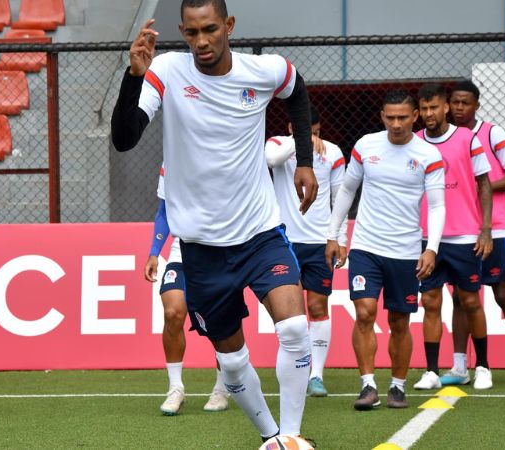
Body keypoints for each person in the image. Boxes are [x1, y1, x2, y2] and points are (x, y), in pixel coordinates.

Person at [111, 0, 318, 441]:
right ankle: (270, 435)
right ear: (182, 32)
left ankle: (293, 437)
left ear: (229, 25)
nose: (201, 41)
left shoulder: (262, 70)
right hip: (201, 249)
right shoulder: (166, 70)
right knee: (232, 360)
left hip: (261, 234)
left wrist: (305, 161)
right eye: (191, 32)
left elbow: (296, 89)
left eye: (209, 29)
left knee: (296, 328)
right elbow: (125, 139)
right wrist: (133, 78)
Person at [326, 90, 445, 410]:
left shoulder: (429, 155)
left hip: (406, 252)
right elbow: (348, 189)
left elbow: (436, 207)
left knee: (399, 322)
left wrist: (431, 249)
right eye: (390, 117)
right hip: (366, 247)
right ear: (382, 117)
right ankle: (367, 386)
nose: (396, 124)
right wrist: (334, 236)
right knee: (364, 312)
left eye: (403, 117)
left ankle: (397, 386)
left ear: (414, 117)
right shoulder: (366, 146)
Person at [444, 79, 505, 386]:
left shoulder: (491, 133)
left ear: (476, 106)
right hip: (460, 231)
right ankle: (459, 366)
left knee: (500, 293)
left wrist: (481, 186)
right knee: (460, 297)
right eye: (455, 102)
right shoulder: (446, 137)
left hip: (493, 228)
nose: (459, 108)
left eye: (465, 103)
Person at [413, 83, 494, 391]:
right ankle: (432, 370)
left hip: (464, 236)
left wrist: (485, 230)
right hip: (426, 239)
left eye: (434, 107)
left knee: (470, 300)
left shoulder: (468, 139)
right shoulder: (414, 142)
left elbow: (484, 183)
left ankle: (483, 366)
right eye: (424, 109)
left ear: (446, 107)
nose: (429, 114)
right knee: (430, 302)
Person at [265, 104, 344, 397]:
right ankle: (294, 369)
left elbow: (340, 197)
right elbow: (271, 158)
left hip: (319, 242)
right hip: (282, 241)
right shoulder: (277, 144)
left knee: (317, 308)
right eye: (304, 131)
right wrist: (301, 141)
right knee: (288, 312)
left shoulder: (333, 153)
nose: (314, 138)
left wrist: (339, 238)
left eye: (315, 132)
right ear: (290, 128)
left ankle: (317, 376)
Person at [144, 165, 229, 415]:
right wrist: (153, 253)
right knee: (172, 313)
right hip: (181, 253)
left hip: (218, 252)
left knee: (220, 322)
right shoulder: (170, 163)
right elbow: (164, 211)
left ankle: (222, 388)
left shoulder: (221, 154)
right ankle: (175, 388)